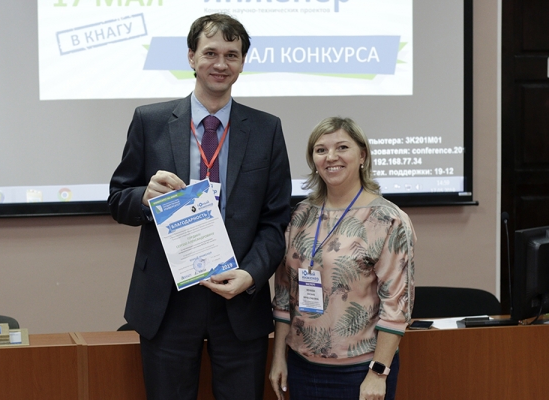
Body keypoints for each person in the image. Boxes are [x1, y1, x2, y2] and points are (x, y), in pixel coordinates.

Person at [108, 13, 292, 400]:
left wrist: (251, 275)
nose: (220, 64)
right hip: (167, 300)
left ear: (242, 63)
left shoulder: (266, 129)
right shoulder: (150, 121)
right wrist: (144, 197)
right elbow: (118, 199)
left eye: (231, 55)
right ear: (191, 57)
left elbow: (276, 222)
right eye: (210, 53)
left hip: (238, 297)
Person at [269, 117, 416, 400]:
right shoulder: (299, 216)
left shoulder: (388, 219)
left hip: (362, 370)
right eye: (321, 150)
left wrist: (378, 373)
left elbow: (397, 305)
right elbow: (284, 293)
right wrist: (279, 357)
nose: (331, 157)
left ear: (362, 156)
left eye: (342, 147)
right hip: (302, 367)